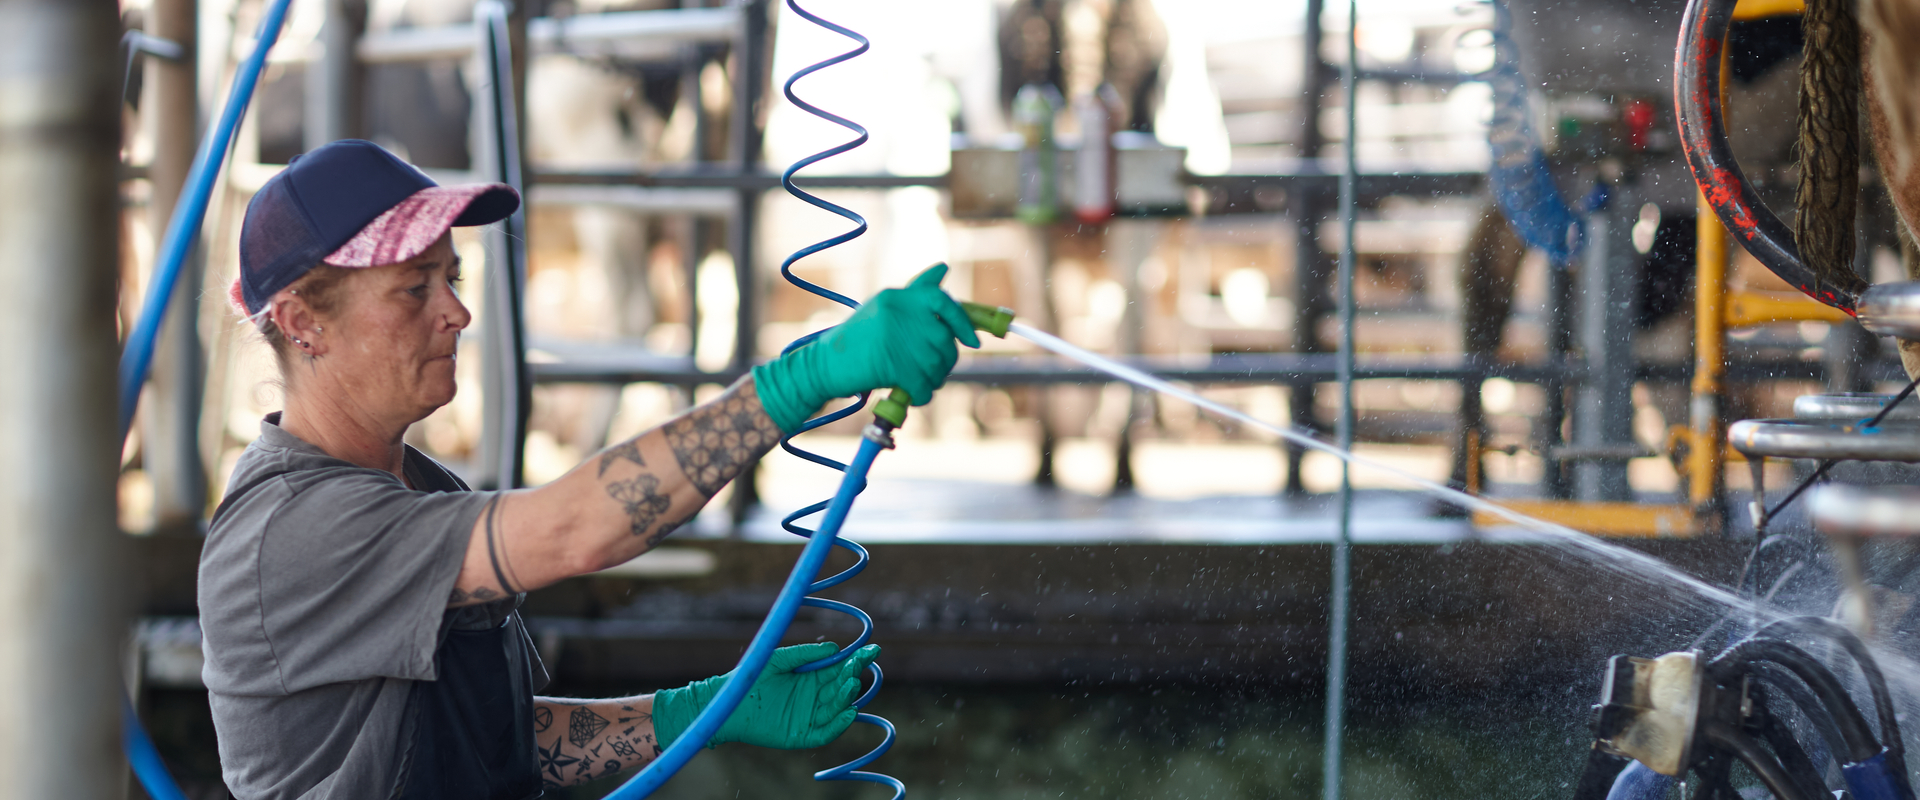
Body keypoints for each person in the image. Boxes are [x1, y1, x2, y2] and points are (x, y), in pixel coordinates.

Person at [199, 140, 982, 799]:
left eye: (453, 278)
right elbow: (577, 529)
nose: (457, 313)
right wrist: (800, 381)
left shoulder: (415, 486)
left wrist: (696, 711)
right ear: (302, 323)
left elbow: (499, 737)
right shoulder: (295, 529)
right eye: (414, 289)